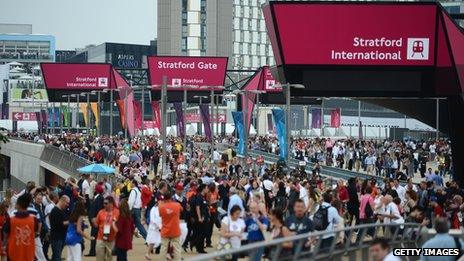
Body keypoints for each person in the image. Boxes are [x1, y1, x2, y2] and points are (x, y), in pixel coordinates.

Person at [3, 193, 37, 261]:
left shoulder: (10, 220)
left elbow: (5, 236)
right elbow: (34, 234)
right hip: (28, 254)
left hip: (13, 254)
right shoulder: (33, 220)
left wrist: (5, 246)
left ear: (18, 205)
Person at [93, 196, 119, 261]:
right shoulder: (101, 212)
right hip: (101, 238)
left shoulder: (117, 212)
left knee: (109, 258)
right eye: (104, 203)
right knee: (99, 258)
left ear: (111, 203)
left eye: (106, 203)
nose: (104, 205)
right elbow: (96, 225)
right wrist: (94, 222)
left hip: (111, 239)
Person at [159, 190, 183, 261]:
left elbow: (160, 214)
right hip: (175, 230)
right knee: (177, 249)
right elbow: (182, 209)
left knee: (163, 248)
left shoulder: (161, 207)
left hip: (165, 230)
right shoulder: (177, 205)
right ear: (171, 197)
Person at [50, 195, 70, 261]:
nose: (67, 205)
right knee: (57, 257)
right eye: (67, 203)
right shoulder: (55, 211)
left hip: (61, 237)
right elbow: (59, 224)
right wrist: (70, 221)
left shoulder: (61, 210)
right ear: (62, 201)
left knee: (56, 256)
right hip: (56, 238)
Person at [192, 183, 210, 254]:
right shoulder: (199, 196)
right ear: (203, 189)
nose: (207, 189)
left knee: (203, 233)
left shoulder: (203, 197)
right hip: (201, 219)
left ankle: (198, 246)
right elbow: (197, 207)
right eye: (206, 188)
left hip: (204, 218)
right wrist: (199, 217)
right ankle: (199, 247)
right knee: (202, 233)